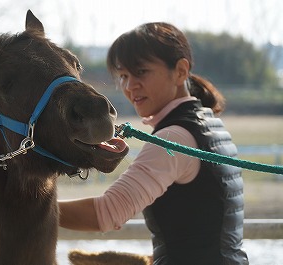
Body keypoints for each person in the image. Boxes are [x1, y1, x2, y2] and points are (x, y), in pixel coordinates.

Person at [59, 22, 249, 265]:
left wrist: (30, 207)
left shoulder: (173, 138)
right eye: (124, 76)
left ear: (180, 71)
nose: (130, 86)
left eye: (141, 72)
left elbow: (106, 213)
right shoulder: (211, 123)